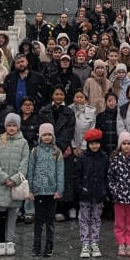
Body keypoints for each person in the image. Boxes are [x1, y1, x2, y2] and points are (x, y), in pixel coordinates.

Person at [0, 112, 30, 256]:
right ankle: (1, 241)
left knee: (13, 213)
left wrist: (15, 179)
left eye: (14, 125)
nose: (11, 128)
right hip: (2, 184)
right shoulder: (0, 141)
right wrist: (3, 177)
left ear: (18, 127)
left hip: (15, 184)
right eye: (9, 125)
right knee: (1, 213)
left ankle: (10, 240)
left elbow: (25, 162)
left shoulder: (23, 142)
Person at [38, 87, 75, 220]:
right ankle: (49, 208)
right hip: (47, 147)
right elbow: (42, 130)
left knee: (63, 178)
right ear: (52, 96)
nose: (59, 97)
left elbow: (69, 131)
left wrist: (59, 146)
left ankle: (62, 208)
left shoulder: (69, 112)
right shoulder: (44, 111)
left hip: (64, 149)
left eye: (61, 94)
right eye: (56, 94)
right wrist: (50, 145)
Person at [27, 122, 64, 256]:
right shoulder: (35, 151)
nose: (47, 137)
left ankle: (49, 244)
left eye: (49, 135)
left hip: (51, 191)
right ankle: (36, 244)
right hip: (38, 191)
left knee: (50, 219)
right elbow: (30, 170)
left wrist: (59, 189)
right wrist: (30, 189)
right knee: (38, 219)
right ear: (40, 136)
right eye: (44, 135)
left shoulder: (57, 151)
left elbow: (60, 171)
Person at [74, 127, 108, 258]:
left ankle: (94, 242)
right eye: (92, 143)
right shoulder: (83, 158)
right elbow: (77, 175)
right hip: (85, 193)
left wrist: (104, 190)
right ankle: (85, 243)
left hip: (99, 193)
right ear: (88, 144)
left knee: (96, 218)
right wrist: (80, 188)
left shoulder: (104, 158)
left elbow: (106, 176)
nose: (95, 146)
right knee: (84, 219)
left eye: (97, 143)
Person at [95, 90, 119, 157]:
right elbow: (98, 134)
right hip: (103, 150)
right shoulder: (100, 116)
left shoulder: (120, 116)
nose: (111, 103)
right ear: (105, 102)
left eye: (113, 101)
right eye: (109, 101)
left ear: (117, 102)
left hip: (118, 150)